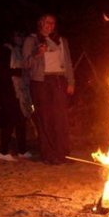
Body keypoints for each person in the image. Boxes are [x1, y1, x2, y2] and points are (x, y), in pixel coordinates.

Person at [22, 14, 75, 165]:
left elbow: (68, 62)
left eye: (52, 23)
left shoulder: (61, 40)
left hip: (59, 79)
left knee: (61, 118)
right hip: (41, 81)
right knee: (45, 118)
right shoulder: (31, 40)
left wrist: (71, 81)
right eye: (47, 22)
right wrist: (38, 54)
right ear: (40, 23)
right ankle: (49, 154)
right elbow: (25, 64)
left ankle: (62, 152)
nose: (50, 25)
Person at [0, 32, 32, 161]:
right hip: (9, 89)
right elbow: (2, 71)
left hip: (20, 90)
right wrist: (20, 72)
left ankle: (22, 149)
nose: (20, 38)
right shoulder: (6, 50)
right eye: (17, 35)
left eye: (22, 36)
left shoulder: (20, 51)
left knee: (21, 119)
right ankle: (3, 151)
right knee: (10, 119)